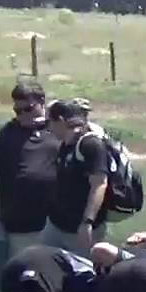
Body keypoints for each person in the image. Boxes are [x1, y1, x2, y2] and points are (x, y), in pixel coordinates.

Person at [0, 78, 59, 258]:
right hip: (16, 225)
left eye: (28, 109)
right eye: (18, 111)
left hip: (54, 224)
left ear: (42, 102)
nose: (22, 115)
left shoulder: (58, 129)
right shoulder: (2, 133)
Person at [42, 100, 109, 252]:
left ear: (59, 121)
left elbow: (99, 184)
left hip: (80, 230)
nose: (49, 128)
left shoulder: (90, 144)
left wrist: (87, 222)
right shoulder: (66, 144)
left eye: (49, 122)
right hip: (56, 225)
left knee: (84, 272)